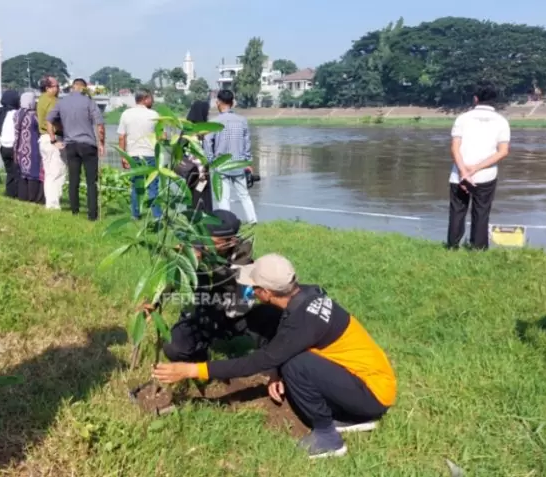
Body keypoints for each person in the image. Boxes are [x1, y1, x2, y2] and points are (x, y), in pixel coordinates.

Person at [154, 253, 397, 459]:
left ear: (267, 292)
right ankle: (350, 419)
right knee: (286, 355)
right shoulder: (308, 295)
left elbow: (257, 361)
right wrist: (274, 372)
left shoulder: (301, 322)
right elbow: (283, 344)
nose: (250, 291)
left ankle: (328, 437)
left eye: (253, 287)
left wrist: (192, 370)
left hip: (372, 393)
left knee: (296, 364)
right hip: (365, 381)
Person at [158, 210, 281, 364]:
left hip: (235, 312)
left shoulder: (242, 253)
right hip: (201, 312)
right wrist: (155, 301)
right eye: (205, 239)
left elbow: (232, 279)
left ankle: (270, 361)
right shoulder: (193, 249)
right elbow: (173, 279)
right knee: (173, 347)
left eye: (214, 242)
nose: (207, 244)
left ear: (231, 240)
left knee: (274, 315)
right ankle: (201, 357)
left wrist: (206, 261)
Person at [447, 84, 511, 250]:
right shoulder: (502, 121)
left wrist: (464, 171)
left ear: (476, 98)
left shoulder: (462, 118)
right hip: (486, 175)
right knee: (482, 211)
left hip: (459, 174)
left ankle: (452, 246)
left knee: (457, 211)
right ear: (495, 100)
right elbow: (503, 152)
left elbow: (454, 148)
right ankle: (479, 248)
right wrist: (476, 168)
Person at [46, 78, 105, 221]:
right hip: (88, 144)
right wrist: (102, 143)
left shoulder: (62, 102)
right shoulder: (89, 102)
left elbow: (49, 120)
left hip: (70, 145)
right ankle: (92, 214)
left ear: (72, 88)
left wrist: (53, 139)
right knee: (91, 181)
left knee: (74, 179)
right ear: (84, 88)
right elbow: (100, 126)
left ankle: (74, 211)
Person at [204, 90, 257, 224]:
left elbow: (207, 142)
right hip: (238, 164)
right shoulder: (242, 121)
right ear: (232, 103)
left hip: (220, 164)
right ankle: (253, 221)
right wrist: (248, 162)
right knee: (244, 195)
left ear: (218, 103)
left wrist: (211, 160)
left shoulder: (214, 122)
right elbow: (247, 143)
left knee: (223, 197)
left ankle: (226, 223)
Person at [118, 89, 161, 219]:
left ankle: (135, 214)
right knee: (153, 186)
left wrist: (123, 156)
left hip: (133, 155)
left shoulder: (126, 114)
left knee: (137, 185)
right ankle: (157, 215)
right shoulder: (154, 114)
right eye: (151, 98)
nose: (153, 101)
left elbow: (122, 137)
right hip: (150, 155)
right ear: (145, 98)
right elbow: (162, 136)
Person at [37, 76, 67, 210]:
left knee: (49, 173)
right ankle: (53, 204)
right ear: (48, 88)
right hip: (52, 137)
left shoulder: (41, 99)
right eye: (56, 86)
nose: (58, 88)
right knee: (57, 172)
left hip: (43, 138)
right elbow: (53, 120)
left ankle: (50, 202)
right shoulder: (52, 101)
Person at [181, 100, 214, 215]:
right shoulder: (203, 130)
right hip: (200, 168)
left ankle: (193, 216)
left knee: (193, 193)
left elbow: (180, 148)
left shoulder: (186, 129)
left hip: (189, 168)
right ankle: (204, 216)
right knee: (202, 193)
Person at [14, 92, 45, 204]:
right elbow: (42, 127)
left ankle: (23, 196)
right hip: (33, 147)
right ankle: (33, 197)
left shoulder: (17, 114)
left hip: (20, 148)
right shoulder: (33, 116)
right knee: (33, 173)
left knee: (23, 173)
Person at [0, 90, 21, 199]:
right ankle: (16, 193)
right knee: (17, 172)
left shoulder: (0, 113)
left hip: (3, 146)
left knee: (10, 171)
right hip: (13, 146)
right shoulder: (15, 114)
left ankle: (10, 192)